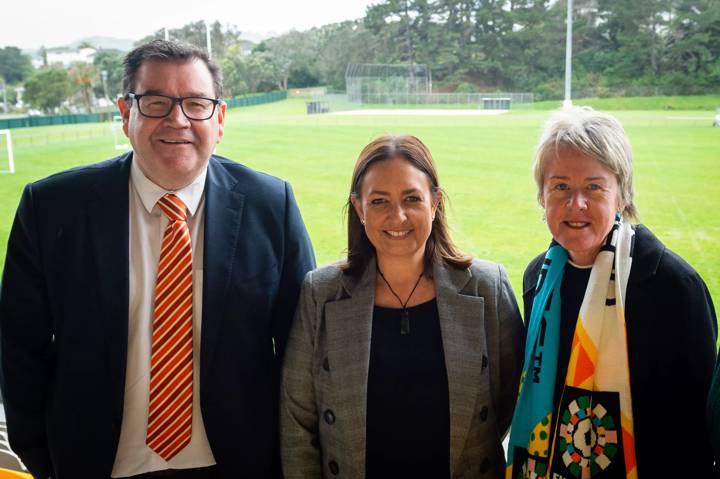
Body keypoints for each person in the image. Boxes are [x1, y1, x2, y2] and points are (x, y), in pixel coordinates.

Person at [0, 40, 315, 479]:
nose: (178, 119)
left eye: (196, 103)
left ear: (219, 118)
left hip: (240, 463)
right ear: (125, 112)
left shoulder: (271, 205)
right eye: (155, 102)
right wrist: (45, 460)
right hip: (97, 464)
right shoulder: (51, 208)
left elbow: (303, 351)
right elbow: (20, 350)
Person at [280, 135, 524, 478]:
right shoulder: (320, 294)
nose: (398, 216)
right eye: (379, 201)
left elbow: (513, 400)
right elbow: (297, 424)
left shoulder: (488, 287)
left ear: (435, 202)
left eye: (412, 198)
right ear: (359, 208)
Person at [507, 106, 717, 478]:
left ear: (621, 196)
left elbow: (693, 436)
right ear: (542, 196)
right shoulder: (537, 279)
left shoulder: (674, 287)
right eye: (560, 186)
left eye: (594, 187)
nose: (577, 204)